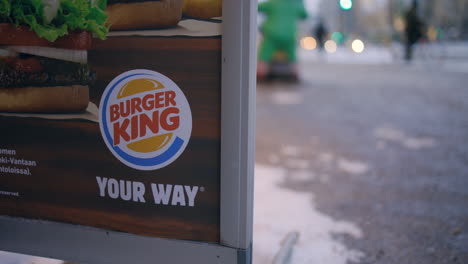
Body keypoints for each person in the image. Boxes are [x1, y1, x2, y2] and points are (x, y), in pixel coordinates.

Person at [257, 0, 308, 81]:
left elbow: (257, 7)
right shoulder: (295, 4)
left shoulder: (273, 2)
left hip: (272, 32)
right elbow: (305, 15)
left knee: (264, 55)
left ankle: (260, 74)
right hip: (289, 33)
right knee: (292, 57)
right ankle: (295, 75)